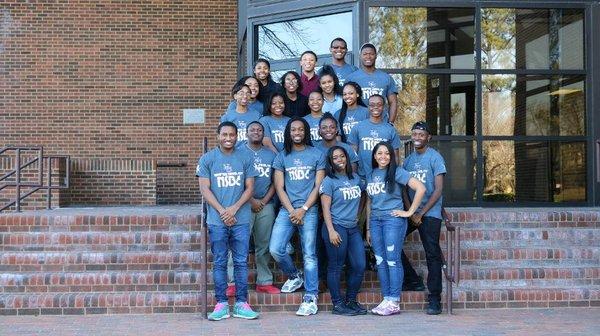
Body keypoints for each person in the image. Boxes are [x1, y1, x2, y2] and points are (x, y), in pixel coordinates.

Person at [196, 121, 259, 321]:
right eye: (224, 134)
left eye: (232, 135)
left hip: (240, 219)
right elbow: (205, 189)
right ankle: (221, 303)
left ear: (236, 136)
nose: (228, 138)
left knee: (241, 262)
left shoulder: (245, 157)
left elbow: (250, 188)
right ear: (218, 136)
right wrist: (223, 210)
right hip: (217, 220)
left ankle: (241, 303)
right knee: (220, 262)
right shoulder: (208, 159)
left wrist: (233, 209)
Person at [269, 117, 325, 316]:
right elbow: (279, 187)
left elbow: (318, 186)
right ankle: (294, 275)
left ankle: (311, 296)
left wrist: (304, 208)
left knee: (309, 254)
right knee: (275, 249)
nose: (297, 132)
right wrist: (292, 210)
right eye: (293, 130)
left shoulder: (317, 154)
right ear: (289, 133)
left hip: (308, 210)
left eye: (301, 129)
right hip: (287, 209)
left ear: (306, 131)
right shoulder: (282, 156)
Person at [365, 141, 426, 316]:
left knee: (392, 259)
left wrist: (409, 212)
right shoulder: (371, 174)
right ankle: (387, 299)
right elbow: (369, 202)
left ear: (391, 156)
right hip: (376, 221)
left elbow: (421, 188)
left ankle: (394, 300)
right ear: (374, 156)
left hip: (393, 220)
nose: (383, 156)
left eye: (387, 153)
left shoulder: (397, 172)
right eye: (379, 153)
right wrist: (368, 228)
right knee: (380, 260)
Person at [225, 121, 280, 296]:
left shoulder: (271, 155)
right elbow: (236, 180)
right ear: (246, 133)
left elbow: (275, 182)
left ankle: (264, 281)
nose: (256, 132)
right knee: (238, 243)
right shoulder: (239, 153)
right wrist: (251, 201)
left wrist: (263, 200)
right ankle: (233, 282)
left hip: (265, 205)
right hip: (242, 206)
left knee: (263, 245)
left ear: (263, 134)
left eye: (259, 130)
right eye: (252, 129)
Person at [401, 121, 447, 315]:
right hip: (412, 213)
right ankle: (412, 279)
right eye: (415, 134)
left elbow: (438, 189)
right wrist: (410, 211)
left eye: (421, 134)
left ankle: (435, 299)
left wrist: (421, 212)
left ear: (428, 137)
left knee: (432, 255)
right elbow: (403, 188)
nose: (417, 137)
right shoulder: (408, 161)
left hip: (430, 214)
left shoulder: (435, 158)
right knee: (391, 242)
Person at [320, 145, 367, 316]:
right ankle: (338, 304)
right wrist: (331, 230)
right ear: (330, 162)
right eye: (335, 158)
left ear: (347, 158)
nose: (339, 160)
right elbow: (325, 208)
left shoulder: (355, 178)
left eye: (342, 156)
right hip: (336, 227)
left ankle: (351, 300)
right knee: (336, 266)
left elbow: (364, 195)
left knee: (359, 265)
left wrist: (359, 215)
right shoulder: (329, 181)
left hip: (353, 228)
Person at [348, 94, 401, 179]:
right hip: (362, 177)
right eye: (372, 105)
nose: (375, 107)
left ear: (384, 107)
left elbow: (396, 157)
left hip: (384, 177)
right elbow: (352, 156)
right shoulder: (358, 127)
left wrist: (393, 177)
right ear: (368, 107)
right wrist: (354, 177)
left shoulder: (390, 129)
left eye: (379, 104)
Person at [346, 43, 398, 123]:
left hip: (381, 123)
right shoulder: (351, 78)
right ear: (360, 56)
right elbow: (346, 103)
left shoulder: (386, 78)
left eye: (371, 54)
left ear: (376, 56)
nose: (368, 57)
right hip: (358, 123)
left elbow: (393, 102)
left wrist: (390, 123)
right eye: (365, 54)